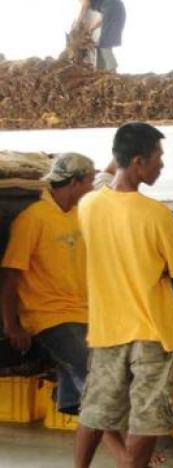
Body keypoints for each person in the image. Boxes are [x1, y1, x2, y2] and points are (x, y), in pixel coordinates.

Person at [74, 123, 173, 468]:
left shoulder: (88, 205)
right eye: (158, 158)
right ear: (138, 162)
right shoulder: (157, 214)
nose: (161, 165)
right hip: (154, 330)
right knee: (148, 414)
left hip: (108, 327)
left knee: (97, 409)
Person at [1, 153, 95, 417]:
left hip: (82, 313)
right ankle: (127, 449)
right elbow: (10, 275)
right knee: (99, 377)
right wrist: (12, 325)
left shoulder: (79, 215)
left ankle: (76, 411)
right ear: (75, 182)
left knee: (88, 387)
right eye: (89, 181)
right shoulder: (33, 219)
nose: (91, 187)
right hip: (49, 317)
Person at [63, 0, 126, 71]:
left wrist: (78, 23)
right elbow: (105, 15)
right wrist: (92, 27)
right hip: (117, 9)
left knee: (105, 43)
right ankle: (100, 71)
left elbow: (85, 4)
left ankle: (112, 70)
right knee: (102, 43)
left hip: (113, 9)